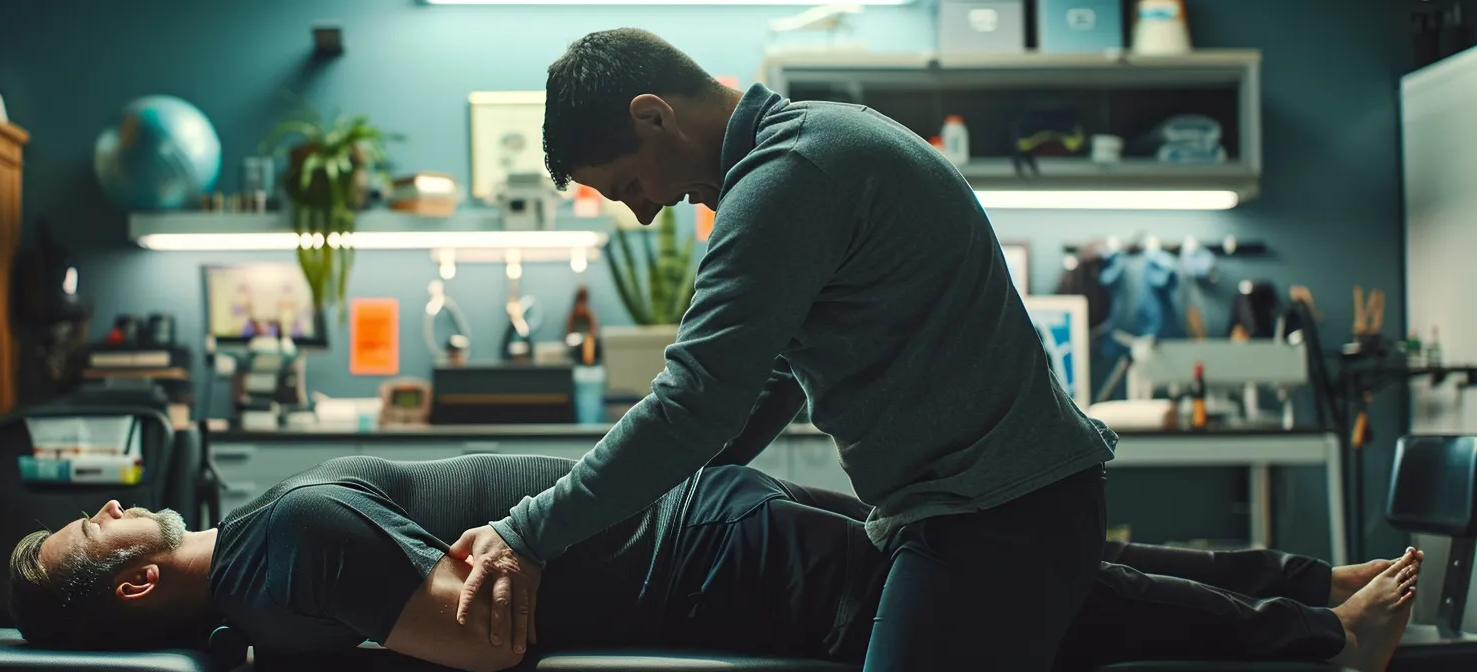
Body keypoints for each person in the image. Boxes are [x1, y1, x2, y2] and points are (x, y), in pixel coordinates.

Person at [448, 27, 1118, 671]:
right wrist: (666, 492)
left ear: (654, 117)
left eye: (628, 186)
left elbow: (695, 403)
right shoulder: (811, 140)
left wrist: (526, 533)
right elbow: (769, 374)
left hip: (993, 518)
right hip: (991, 505)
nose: (647, 212)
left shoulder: (786, 175)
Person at [5, 454, 1421, 672]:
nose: (110, 501)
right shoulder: (263, 560)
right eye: (91, 526)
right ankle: (1310, 607)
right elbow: (473, 628)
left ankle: (1311, 627)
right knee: (1030, 580)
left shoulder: (272, 537)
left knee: (1026, 593)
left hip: (704, 543)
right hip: (707, 544)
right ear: (127, 581)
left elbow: (478, 637)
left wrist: (460, 585)